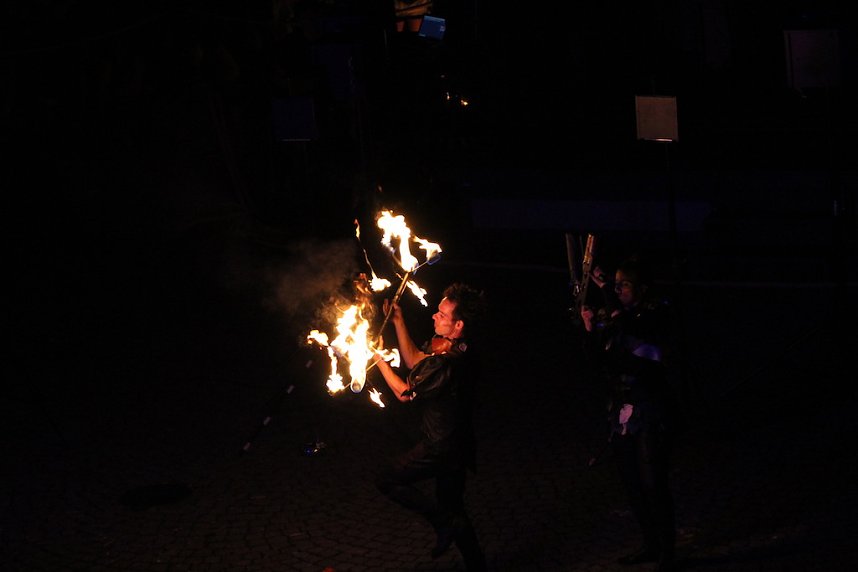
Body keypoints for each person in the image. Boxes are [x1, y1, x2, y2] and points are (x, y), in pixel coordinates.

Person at [372, 282, 488, 571]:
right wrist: (398, 322)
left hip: (441, 447)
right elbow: (414, 360)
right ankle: (477, 566)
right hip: (459, 444)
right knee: (454, 506)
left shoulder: (448, 363)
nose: (434, 317)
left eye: (442, 315)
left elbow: (404, 392)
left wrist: (375, 357)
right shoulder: (450, 347)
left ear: (458, 324)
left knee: (387, 478)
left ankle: (442, 522)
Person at [580, 256, 678, 572]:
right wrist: (590, 331)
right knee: (631, 483)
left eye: (624, 284)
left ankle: (667, 550)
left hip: (650, 407)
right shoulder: (616, 316)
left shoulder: (655, 314)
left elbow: (635, 333)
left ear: (642, 288)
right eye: (616, 283)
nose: (618, 289)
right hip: (621, 409)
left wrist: (607, 292)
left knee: (653, 483)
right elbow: (599, 363)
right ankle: (650, 544)